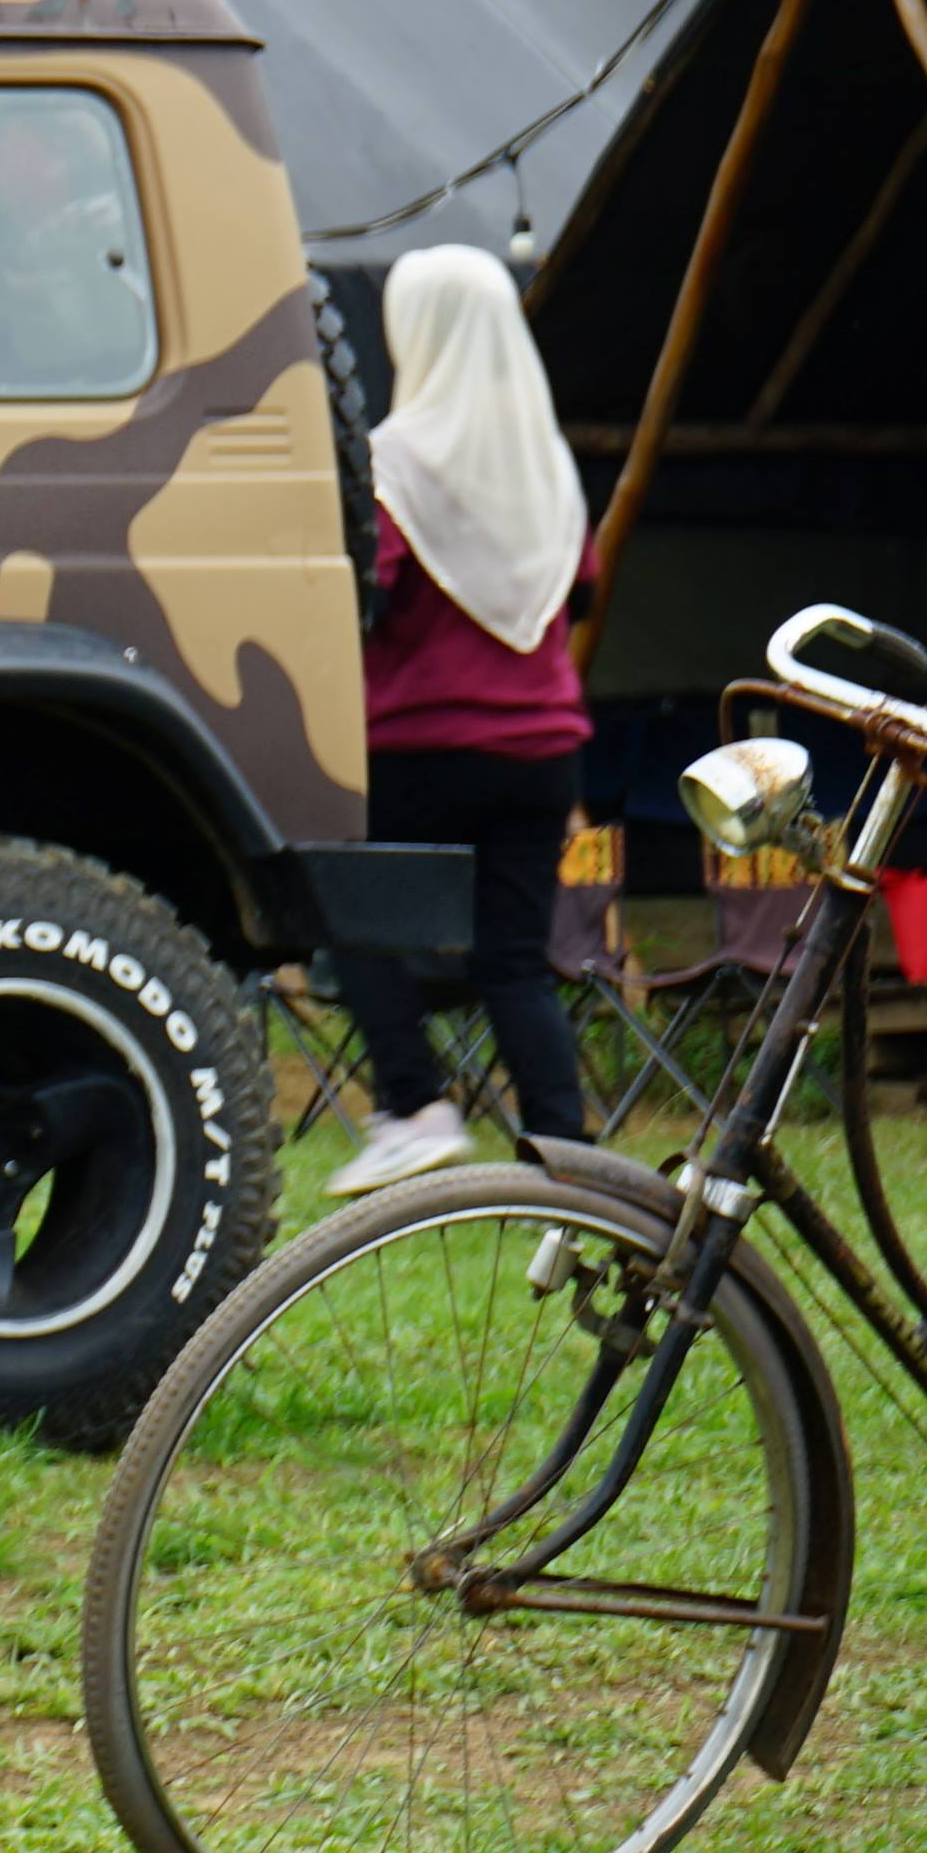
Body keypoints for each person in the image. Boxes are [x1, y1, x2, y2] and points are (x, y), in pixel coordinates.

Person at [324, 242, 602, 1196]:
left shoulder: (392, 465)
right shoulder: (547, 466)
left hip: (412, 748)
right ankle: (569, 1163)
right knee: (514, 959)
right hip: (542, 753)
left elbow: (367, 593)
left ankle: (414, 1105)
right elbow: (583, 591)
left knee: (343, 911)